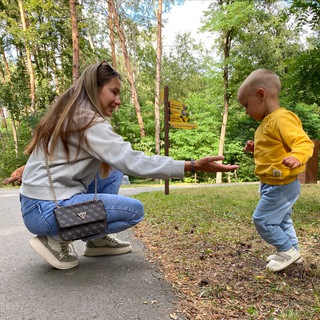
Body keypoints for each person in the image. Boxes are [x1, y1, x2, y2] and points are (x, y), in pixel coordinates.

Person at [20, 60, 239, 270]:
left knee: (112, 170)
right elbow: (133, 161)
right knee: (133, 211)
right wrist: (191, 166)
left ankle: (96, 241)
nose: (118, 100)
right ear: (94, 89)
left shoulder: (71, 114)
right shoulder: (86, 121)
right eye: (113, 92)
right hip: (47, 213)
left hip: (37, 206)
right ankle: (55, 238)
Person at [238, 69, 314, 272]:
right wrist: (256, 148)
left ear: (260, 95)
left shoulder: (281, 118)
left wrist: (297, 156)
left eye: (246, 105)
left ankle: (287, 250)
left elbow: (303, 142)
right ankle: (293, 253)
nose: (246, 111)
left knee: (262, 219)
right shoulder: (268, 122)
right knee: (281, 220)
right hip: (272, 183)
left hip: (281, 185)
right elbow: (273, 148)